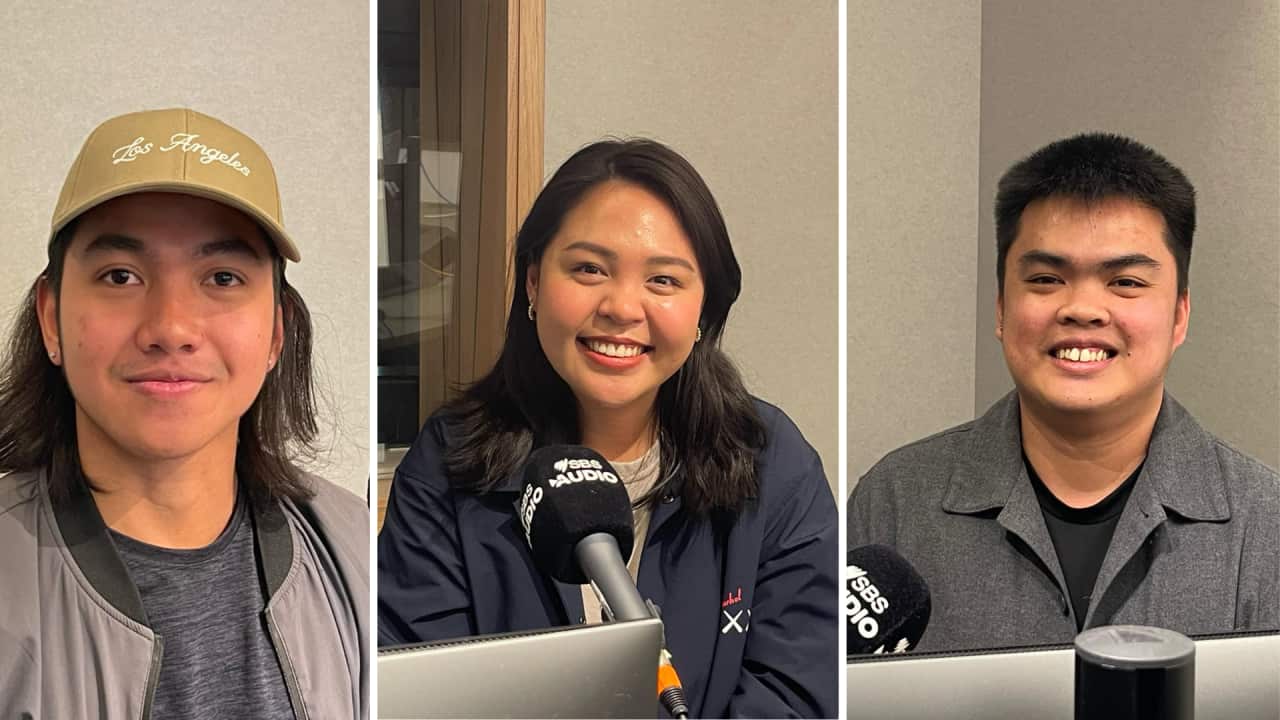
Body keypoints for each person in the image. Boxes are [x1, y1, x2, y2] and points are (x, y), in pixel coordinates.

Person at [378, 139, 837, 718]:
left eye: (664, 280)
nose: (622, 307)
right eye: (589, 268)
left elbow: (800, 691)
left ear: (704, 314)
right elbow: (419, 688)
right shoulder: (450, 461)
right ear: (533, 283)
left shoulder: (773, 463)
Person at [0, 108, 368, 718]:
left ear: (276, 331)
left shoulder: (351, 544)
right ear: (50, 317)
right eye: (120, 276)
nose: (170, 327)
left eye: (222, 277)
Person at [848, 132, 1279, 652]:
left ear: (1179, 315)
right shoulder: (896, 502)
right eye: (1048, 279)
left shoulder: (1265, 524)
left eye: (1125, 282)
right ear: (1002, 309)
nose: (1083, 309)